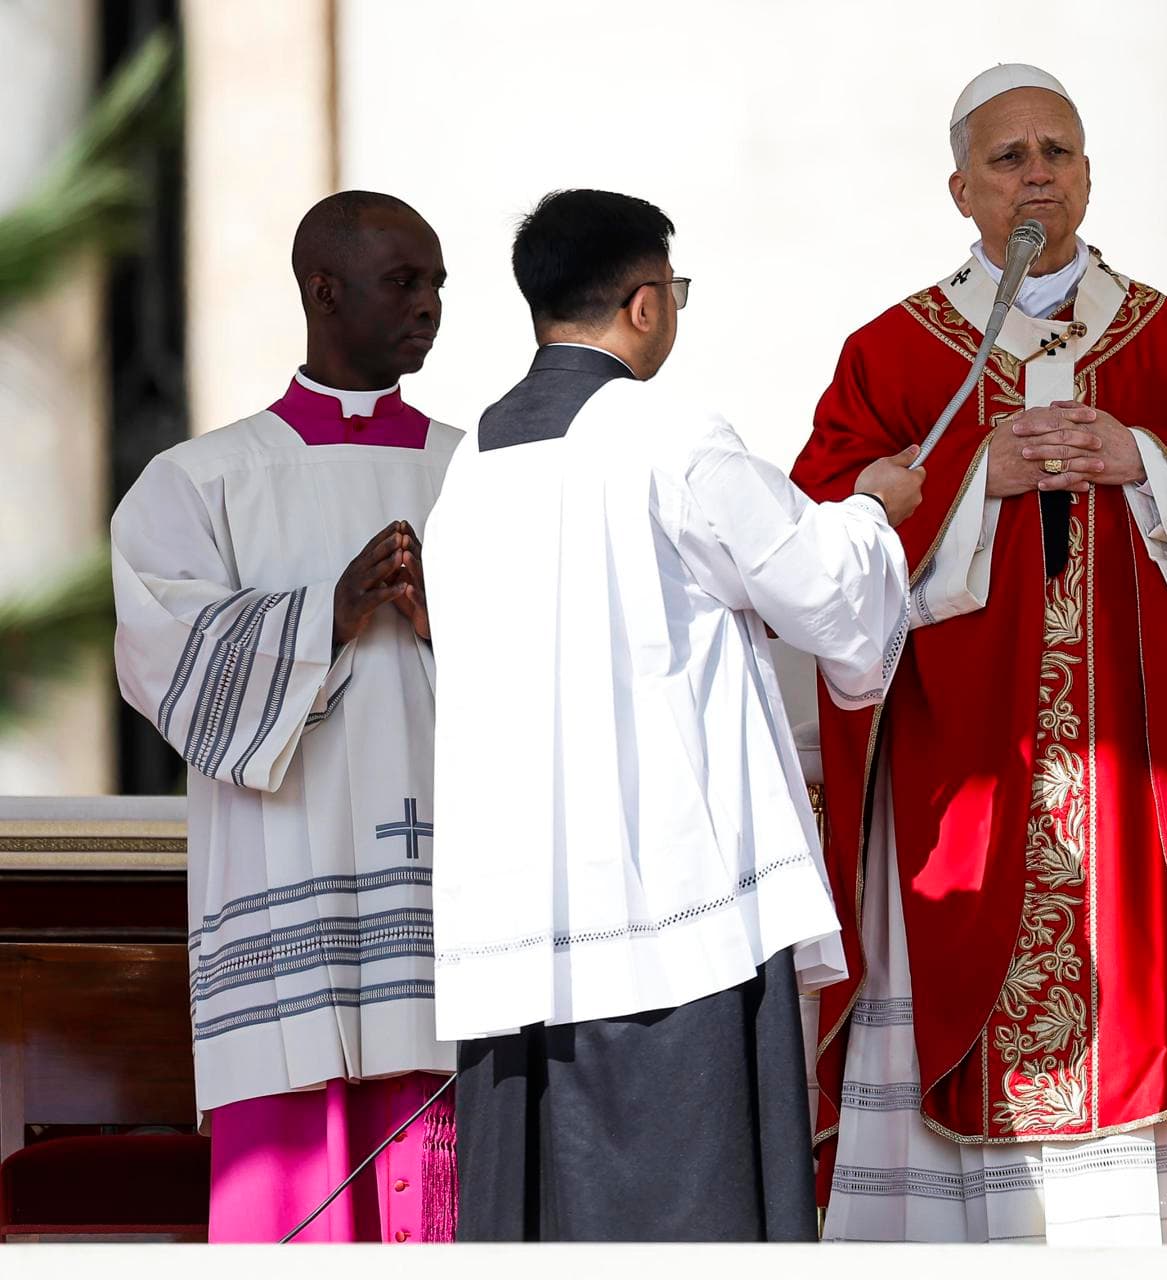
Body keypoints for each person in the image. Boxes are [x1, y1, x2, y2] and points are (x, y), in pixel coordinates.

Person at [789, 63, 1167, 1244]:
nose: (1036, 177)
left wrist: (1148, 460)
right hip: (962, 773)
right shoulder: (894, 355)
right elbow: (818, 538)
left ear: (1088, 175)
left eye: (1056, 153)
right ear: (961, 189)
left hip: (1143, 785)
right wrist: (976, 477)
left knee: (1149, 1005)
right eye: (1008, 157)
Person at [427, 189, 922, 1242]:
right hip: (670, 907)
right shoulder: (668, 435)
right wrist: (875, 509)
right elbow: (820, 590)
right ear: (645, 303)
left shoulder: (469, 467)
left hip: (520, 914)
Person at [111, 191, 459, 1243]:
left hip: (448, 881)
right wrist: (325, 615)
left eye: (439, 286)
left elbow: (560, 658)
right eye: (405, 282)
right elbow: (160, 655)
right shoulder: (199, 480)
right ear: (325, 290)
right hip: (283, 879)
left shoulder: (481, 470)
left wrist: (450, 620)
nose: (430, 307)